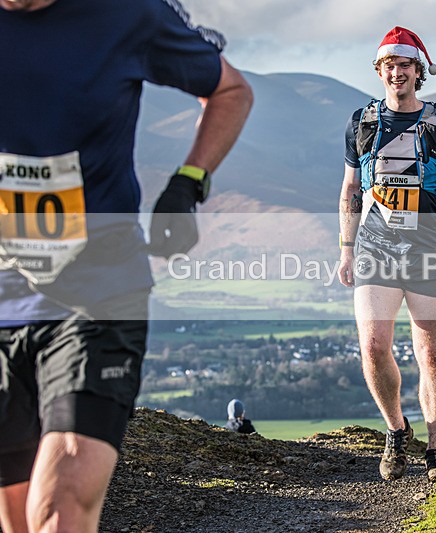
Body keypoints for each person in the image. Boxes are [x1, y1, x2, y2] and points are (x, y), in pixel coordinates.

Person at [0, 2, 252, 532]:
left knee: (60, 508)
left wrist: (188, 182)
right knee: (18, 517)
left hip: (98, 294)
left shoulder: (125, 12)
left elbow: (230, 90)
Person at [337, 26, 436, 482]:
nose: (397, 73)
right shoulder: (362, 123)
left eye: (405, 66)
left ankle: (435, 452)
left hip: (429, 248)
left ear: (419, 72)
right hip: (375, 247)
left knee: (430, 354)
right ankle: (397, 432)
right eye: (389, 66)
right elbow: (351, 190)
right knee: (374, 347)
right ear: (380, 71)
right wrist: (345, 248)